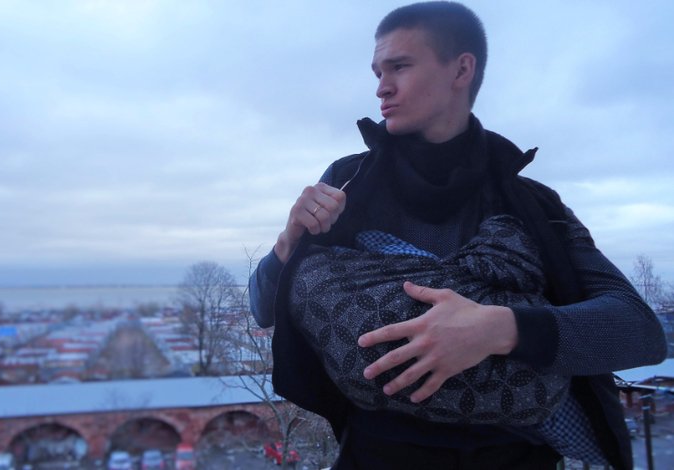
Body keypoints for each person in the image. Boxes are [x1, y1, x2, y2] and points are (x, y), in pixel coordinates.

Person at [249, 2, 667, 469]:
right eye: (378, 72)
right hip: (375, 455)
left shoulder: (534, 205)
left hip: (514, 459)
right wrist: (286, 245)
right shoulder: (348, 185)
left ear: (461, 70)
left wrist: (499, 329)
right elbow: (263, 308)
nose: (381, 87)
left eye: (400, 67)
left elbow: (640, 331)